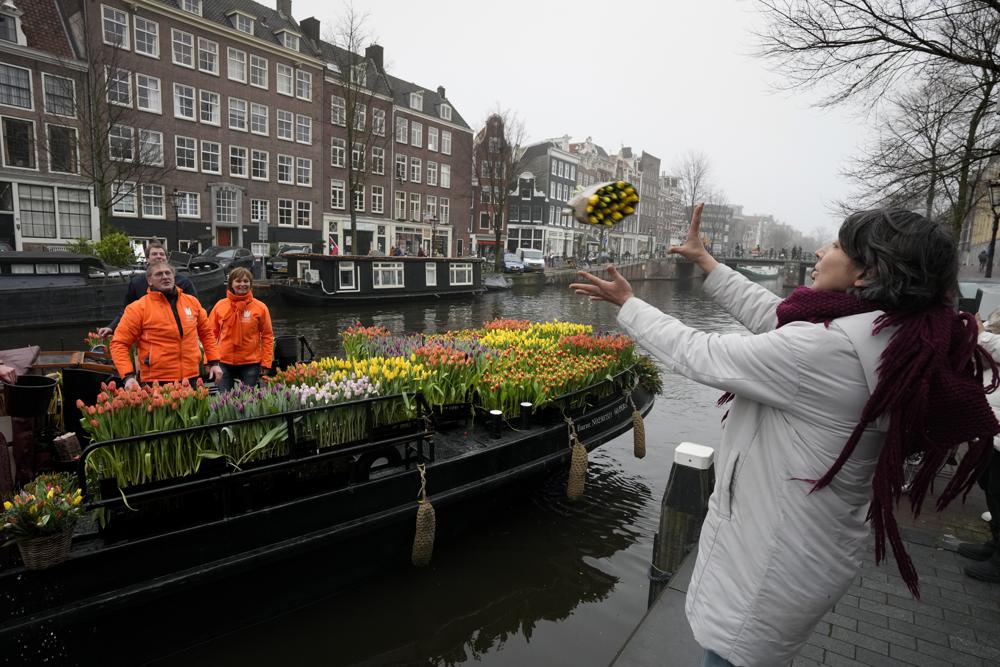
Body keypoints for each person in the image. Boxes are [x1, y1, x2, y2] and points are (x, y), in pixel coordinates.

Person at [570, 204, 998, 666]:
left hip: (767, 561)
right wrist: (707, 262)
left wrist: (629, 305)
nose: (819, 249)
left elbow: (701, 353)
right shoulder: (884, 331)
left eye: (836, 244)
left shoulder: (828, 348)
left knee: (732, 655)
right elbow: (777, 317)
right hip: (810, 549)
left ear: (867, 272)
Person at [111, 261, 222, 389]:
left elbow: (206, 333)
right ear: (149, 281)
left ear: (174, 277)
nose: (165, 276)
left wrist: (214, 362)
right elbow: (119, 343)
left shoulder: (192, 302)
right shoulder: (138, 308)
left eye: (168, 273)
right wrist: (128, 376)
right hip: (157, 381)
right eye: (159, 274)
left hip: (190, 377)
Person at [958, 314, 1000, 582]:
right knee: (989, 486)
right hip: (992, 426)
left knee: (999, 490)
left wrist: (980, 332)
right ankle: (994, 544)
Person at [97, 241, 197, 337]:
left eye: (161, 254)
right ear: (147, 259)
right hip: (148, 335)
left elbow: (195, 309)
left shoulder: (183, 282)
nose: (158, 256)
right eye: (154, 254)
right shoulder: (137, 283)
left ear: (166, 258)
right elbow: (127, 310)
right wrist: (111, 327)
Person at [208, 267, 274, 393]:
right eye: (238, 281)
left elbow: (267, 336)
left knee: (248, 401)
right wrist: (209, 361)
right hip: (223, 362)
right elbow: (210, 335)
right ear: (231, 284)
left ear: (250, 284)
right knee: (225, 399)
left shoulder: (260, 307)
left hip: (250, 362)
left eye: (246, 281)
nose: (242, 284)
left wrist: (266, 362)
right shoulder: (220, 306)